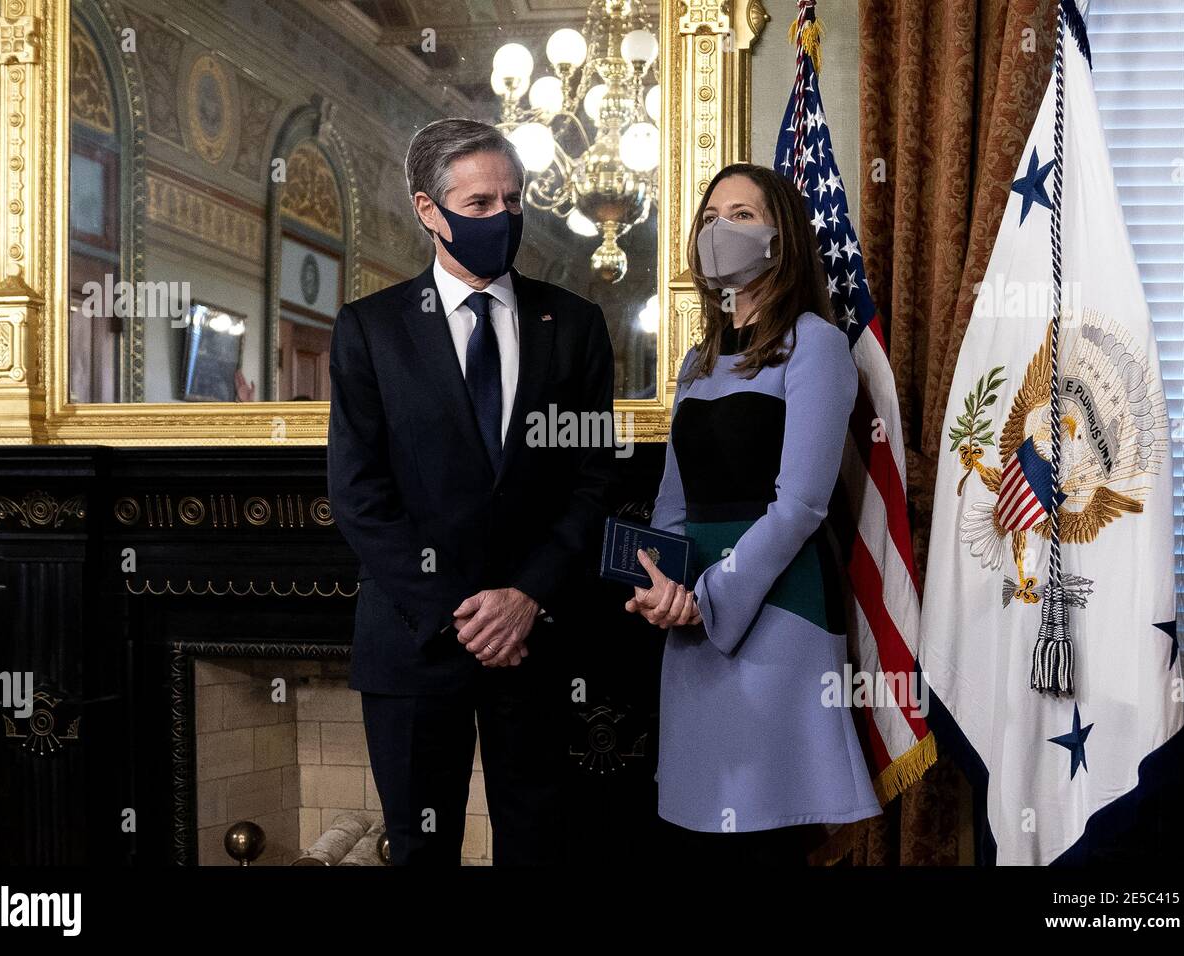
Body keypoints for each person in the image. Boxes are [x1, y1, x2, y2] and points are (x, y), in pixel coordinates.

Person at [327, 118, 615, 865]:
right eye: (479, 204)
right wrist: (459, 614)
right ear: (430, 210)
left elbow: (593, 483)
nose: (503, 218)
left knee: (543, 849)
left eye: (513, 202)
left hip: (537, 642)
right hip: (415, 641)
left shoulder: (575, 327)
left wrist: (524, 598)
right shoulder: (371, 330)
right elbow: (359, 494)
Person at [624, 162, 882, 865]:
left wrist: (711, 601)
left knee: (767, 836)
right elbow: (674, 502)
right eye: (710, 217)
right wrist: (664, 588)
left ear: (780, 239)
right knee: (698, 837)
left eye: (740, 215)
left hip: (778, 609)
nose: (719, 230)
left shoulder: (816, 345)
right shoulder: (696, 362)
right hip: (692, 623)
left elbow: (801, 504)